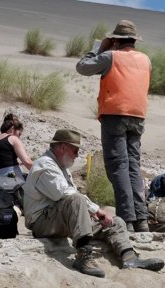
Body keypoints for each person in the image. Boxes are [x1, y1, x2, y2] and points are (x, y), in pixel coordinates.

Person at [23, 129, 164, 278]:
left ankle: (129, 258)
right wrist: (95, 210)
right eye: (75, 150)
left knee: (114, 221)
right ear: (63, 147)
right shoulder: (45, 165)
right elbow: (65, 194)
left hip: (61, 219)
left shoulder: (62, 168)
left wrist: (94, 214)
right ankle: (83, 255)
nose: (77, 155)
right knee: (76, 200)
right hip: (42, 223)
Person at [76, 20, 151, 232]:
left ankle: (126, 220)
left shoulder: (111, 56)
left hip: (115, 115)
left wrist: (98, 48)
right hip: (138, 117)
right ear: (134, 40)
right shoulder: (146, 60)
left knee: (119, 165)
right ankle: (142, 220)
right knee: (133, 165)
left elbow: (82, 67)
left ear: (116, 40)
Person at [0, 113, 33, 181]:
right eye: (19, 134)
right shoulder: (13, 139)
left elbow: (3, 161)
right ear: (12, 128)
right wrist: (39, 172)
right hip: (10, 178)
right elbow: (27, 162)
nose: (18, 137)